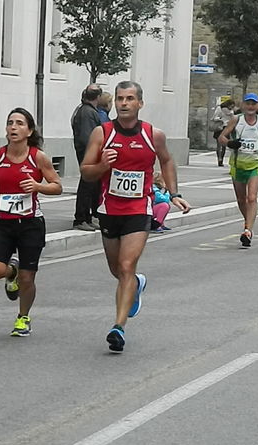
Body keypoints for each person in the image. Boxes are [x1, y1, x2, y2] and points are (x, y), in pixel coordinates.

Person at [80, 80, 191, 353]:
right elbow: (86, 171)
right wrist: (103, 165)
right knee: (117, 271)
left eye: (130, 98)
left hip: (139, 208)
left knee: (127, 265)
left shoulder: (153, 134)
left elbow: (166, 160)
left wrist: (174, 193)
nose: (124, 103)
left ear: (140, 103)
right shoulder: (101, 133)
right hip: (109, 210)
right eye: (120, 99)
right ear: (115, 102)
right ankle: (136, 284)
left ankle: (118, 327)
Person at [0, 107, 62, 337]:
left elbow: (57, 186)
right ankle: (9, 271)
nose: (13, 127)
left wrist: (38, 186)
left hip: (31, 223)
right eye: (10, 123)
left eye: (19, 123)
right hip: (3, 222)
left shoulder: (38, 157)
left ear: (29, 130)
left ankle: (23, 317)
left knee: (28, 277)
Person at [218, 92, 258, 247]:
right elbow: (221, 137)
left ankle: (248, 230)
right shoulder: (236, 119)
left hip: (255, 164)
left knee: (252, 197)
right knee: (241, 199)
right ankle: (248, 221)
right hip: (238, 164)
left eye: (253, 104)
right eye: (248, 103)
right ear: (243, 105)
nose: (250, 106)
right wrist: (230, 143)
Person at [72, 83, 102, 231]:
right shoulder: (88, 113)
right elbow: (87, 137)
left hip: (87, 153)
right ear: (98, 97)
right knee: (87, 185)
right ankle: (81, 218)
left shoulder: (84, 110)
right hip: (88, 155)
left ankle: (88, 217)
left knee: (91, 186)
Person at [211, 99, 235, 167]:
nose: (231, 107)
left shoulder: (231, 111)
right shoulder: (219, 109)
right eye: (231, 106)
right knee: (219, 144)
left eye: (232, 106)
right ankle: (219, 159)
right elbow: (214, 117)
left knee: (224, 144)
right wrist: (221, 120)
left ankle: (222, 158)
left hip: (226, 127)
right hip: (220, 127)